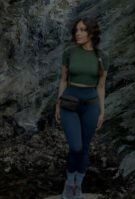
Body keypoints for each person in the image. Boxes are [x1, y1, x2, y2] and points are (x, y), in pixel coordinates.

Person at [55, 17, 109, 199]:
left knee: (85, 148)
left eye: (82, 30)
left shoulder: (103, 56)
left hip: (91, 105)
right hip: (70, 103)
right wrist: (57, 105)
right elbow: (63, 80)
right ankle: (68, 182)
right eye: (76, 30)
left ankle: (77, 186)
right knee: (76, 146)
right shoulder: (69, 53)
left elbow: (101, 86)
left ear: (91, 32)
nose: (78, 33)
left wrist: (102, 111)